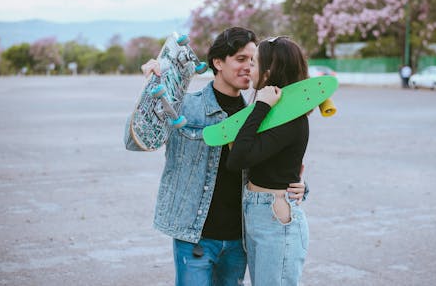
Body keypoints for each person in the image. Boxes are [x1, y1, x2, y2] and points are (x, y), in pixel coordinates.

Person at [127, 27, 307, 286]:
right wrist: (150, 89)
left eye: (253, 61)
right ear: (218, 62)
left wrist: (298, 187)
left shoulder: (259, 114)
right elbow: (135, 141)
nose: (248, 67)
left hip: (240, 240)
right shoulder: (185, 106)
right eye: (241, 59)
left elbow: (276, 164)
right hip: (196, 236)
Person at [226, 36, 310, 285]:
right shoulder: (276, 113)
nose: (249, 68)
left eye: (254, 62)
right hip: (258, 209)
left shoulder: (289, 119)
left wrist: (260, 106)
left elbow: (238, 158)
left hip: (274, 215)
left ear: (269, 72)